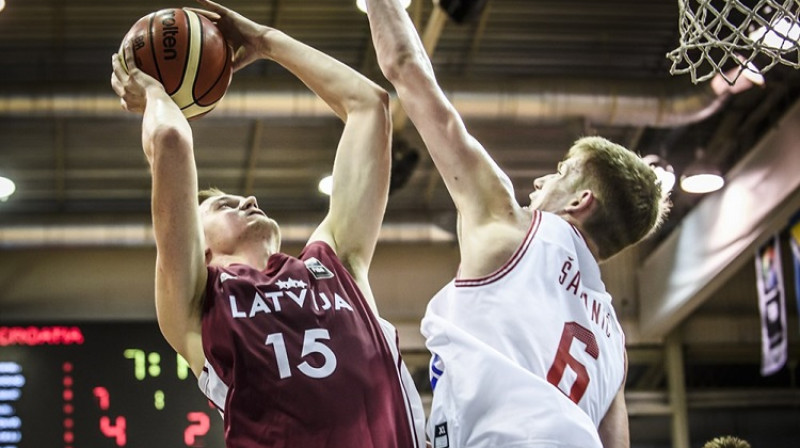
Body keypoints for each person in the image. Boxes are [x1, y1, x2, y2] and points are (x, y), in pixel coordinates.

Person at [110, 1, 425, 446]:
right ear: (199, 250)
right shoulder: (197, 303)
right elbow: (169, 139)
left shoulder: (336, 263)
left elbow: (369, 106)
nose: (249, 199)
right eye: (223, 207)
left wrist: (266, 41)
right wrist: (155, 92)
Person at [364, 1, 670, 447]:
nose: (544, 179)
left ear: (582, 202)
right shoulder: (614, 346)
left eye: (562, 172)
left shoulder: (513, 226)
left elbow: (406, 68)